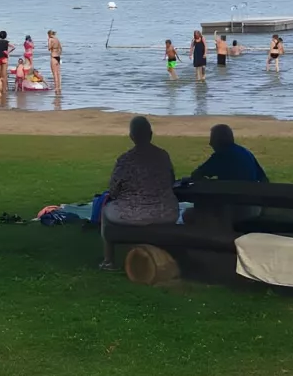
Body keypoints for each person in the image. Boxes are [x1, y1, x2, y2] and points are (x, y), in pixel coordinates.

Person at [100, 116, 177, 270]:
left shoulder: (125, 160)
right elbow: (171, 181)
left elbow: (114, 191)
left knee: (105, 211)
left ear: (132, 136)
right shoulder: (163, 156)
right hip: (165, 213)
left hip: (130, 214)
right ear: (151, 134)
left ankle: (109, 260)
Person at [191, 124, 267, 182]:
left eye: (212, 139)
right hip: (250, 198)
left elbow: (196, 174)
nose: (210, 143)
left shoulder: (221, 156)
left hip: (229, 200)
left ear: (219, 141)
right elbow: (263, 179)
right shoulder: (246, 152)